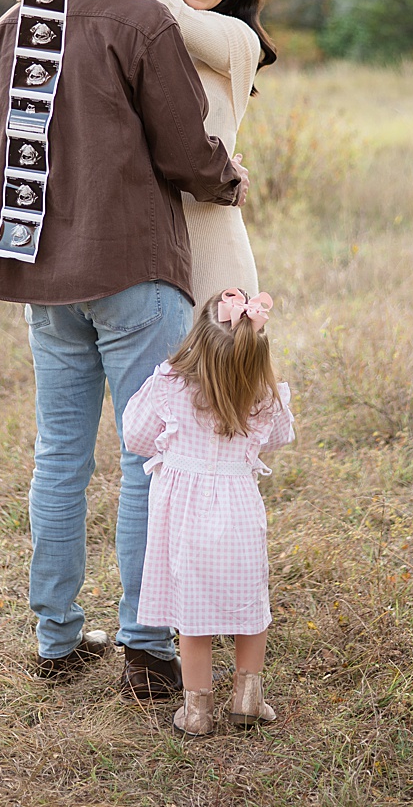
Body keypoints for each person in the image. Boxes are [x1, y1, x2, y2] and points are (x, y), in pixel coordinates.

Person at [0, 0, 246, 700]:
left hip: (44, 273)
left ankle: (56, 640)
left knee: (59, 455)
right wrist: (227, 179)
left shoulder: (10, 25)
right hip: (133, 269)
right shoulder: (137, 21)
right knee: (148, 460)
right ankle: (143, 645)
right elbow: (184, 148)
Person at [15, 0, 276, 303]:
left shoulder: (238, 40)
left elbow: (175, 18)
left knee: (219, 366)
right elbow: (47, 5)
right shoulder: (134, 26)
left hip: (214, 249)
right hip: (145, 253)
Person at [122, 287, 294, 736]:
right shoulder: (263, 395)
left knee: (193, 616)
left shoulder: (169, 385)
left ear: (197, 340)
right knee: (249, 606)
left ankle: (197, 712)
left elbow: (136, 437)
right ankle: (248, 699)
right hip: (239, 512)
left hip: (181, 517)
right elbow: (277, 438)